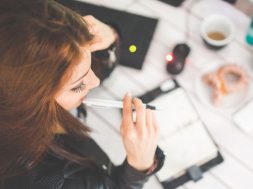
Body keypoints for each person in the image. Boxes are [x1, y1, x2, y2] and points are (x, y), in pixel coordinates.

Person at [0, 0, 165, 188]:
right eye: (77, 86)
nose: (95, 82)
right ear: (30, 101)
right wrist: (139, 166)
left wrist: (110, 38)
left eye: (90, 53)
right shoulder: (45, 181)